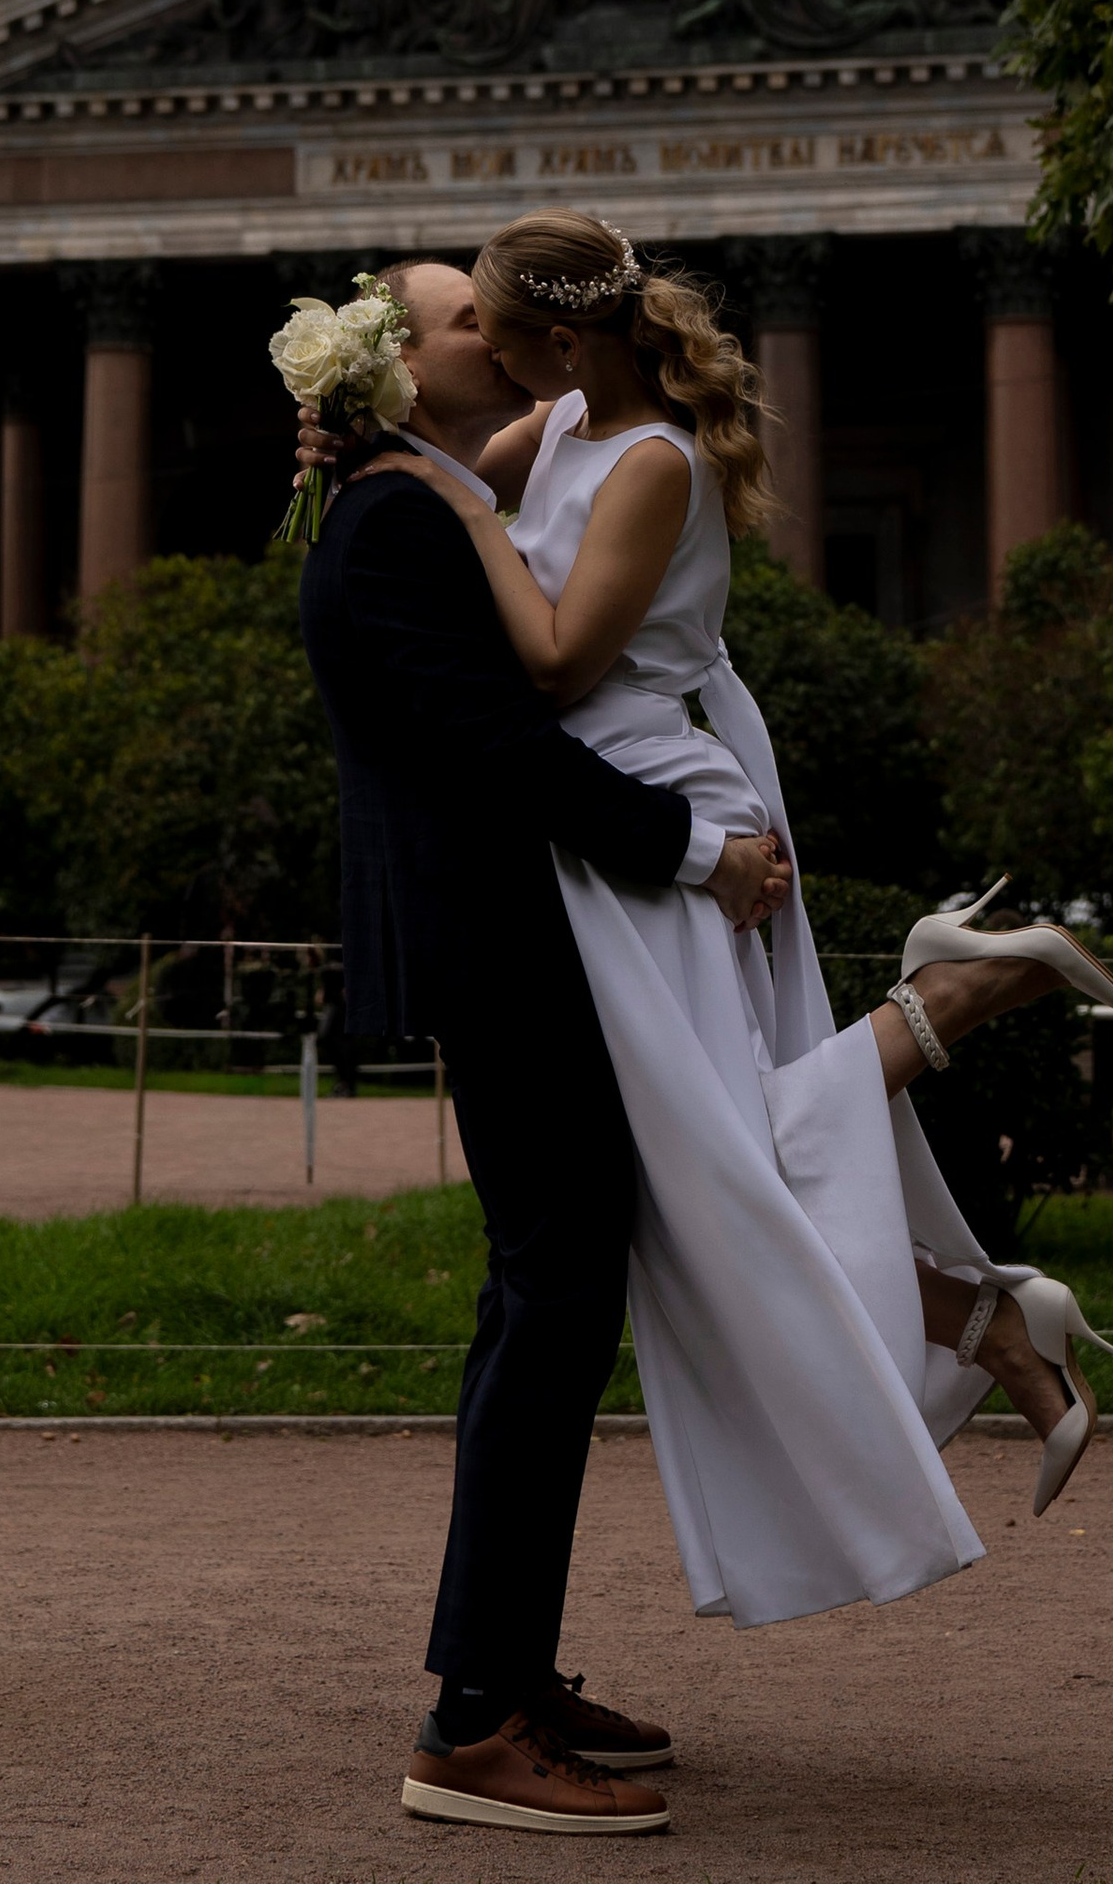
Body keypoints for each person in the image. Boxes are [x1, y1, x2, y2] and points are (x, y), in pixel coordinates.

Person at [380, 207, 1113, 1655]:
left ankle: (965, 1007)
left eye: (492, 326)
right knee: (697, 1177)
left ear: (555, 339)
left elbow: (547, 665)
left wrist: (470, 519)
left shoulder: (653, 460)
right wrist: (363, 450)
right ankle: (991, 1316)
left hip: (653, 815)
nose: (478, 350)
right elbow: (428, 483)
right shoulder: (551, 436)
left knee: (706, 1161)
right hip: (600, 819)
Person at [298, 256, 792, 1838]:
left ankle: (503, 1674)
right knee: (553, 1298)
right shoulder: (395, 515)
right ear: (409, 370)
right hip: (504, 948)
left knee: (552, 1301)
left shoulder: (435, 483)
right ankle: (471, 1721)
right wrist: (691, 847)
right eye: (466, 325)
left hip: (528, 940)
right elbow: (500, 743)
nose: (501, 343)